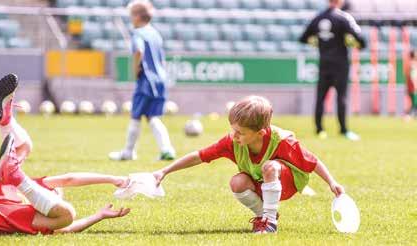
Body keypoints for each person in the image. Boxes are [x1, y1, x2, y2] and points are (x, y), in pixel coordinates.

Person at [152, 96, 345, 234]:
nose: (234, 136)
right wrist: (165, 171)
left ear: (260, 133)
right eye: (233, 130)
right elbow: (199, 156)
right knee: (237, 182)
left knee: (270, 166)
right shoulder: (232, 141)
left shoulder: (283, 141)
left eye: (240, 132)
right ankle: (265, 216)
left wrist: (332, 182)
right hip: (262, 183)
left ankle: (269, 223)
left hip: (288, 183)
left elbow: (313, 162)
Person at [0, 74, 131, 234]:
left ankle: (6, 123)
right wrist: (110, 184)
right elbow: (65, 222)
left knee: (24, 148)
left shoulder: (31, 195)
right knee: (68, 215)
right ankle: (6, 121)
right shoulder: (34, 208)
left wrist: (110, 185)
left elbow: (69, 179)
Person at [109, 0, 175, 161]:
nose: (131, 19)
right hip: (160, 79)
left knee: (136, 115)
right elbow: (162, 58)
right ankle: (167, 150)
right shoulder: (155, 33)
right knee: (153, 116)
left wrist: (135, 68)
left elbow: (139, 51)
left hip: (146, 80)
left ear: (137, 17)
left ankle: (128, 152)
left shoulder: (138, 34)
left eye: (131, 15)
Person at [299, 0, 366, 141]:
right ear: (340, 1)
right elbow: (360, 39)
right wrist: (353, 43)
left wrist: (318, 43)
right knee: (341, 97)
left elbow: (303, 38)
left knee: (320, 98)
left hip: (324, 63)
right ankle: (344, 130)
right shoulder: (344, 17)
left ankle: (319, 130)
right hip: (340, 64)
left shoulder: (318, 18)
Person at [404, 50, 417, 117]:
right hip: (413, 86)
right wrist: (414, 85)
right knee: (415, 102)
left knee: (414, 102)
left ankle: (409, 114)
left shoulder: (410, 64)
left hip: (411, 86)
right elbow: (412, 76)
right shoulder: (412, 64)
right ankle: (408, 114)